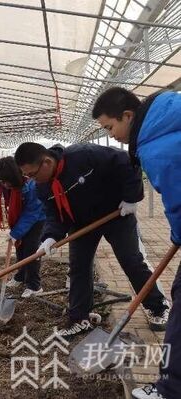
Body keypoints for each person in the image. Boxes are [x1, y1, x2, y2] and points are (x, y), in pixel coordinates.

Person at [14, 142, 169, 339]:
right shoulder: (42, 188)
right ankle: (80, 318)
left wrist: (131, 197)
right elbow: (55, 216)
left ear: (46, 162)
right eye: (27, 176)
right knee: (79, 266)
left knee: (130, 259)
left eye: (32, 174)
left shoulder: (84, 155)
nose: (31, 179)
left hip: (116, 214)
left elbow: (126, 161)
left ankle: (157, 306)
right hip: (81, 224)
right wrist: (50, 237)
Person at [92, 87, 181, 399]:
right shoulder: (170, 112)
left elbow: (178, 201)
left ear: (128, 116)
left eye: (109, 127)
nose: (111, 134)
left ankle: (170, 390)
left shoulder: (157, 148)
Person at [0, 156, 46, 298]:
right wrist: (16, 233)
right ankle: (21, 276)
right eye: (1, 182)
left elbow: (32, 212)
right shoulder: (9, 185)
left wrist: (16, 232)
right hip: (23, 217)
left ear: (15, 176)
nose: (4, 185)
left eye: (6, 181)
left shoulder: (32, 185)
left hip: (38, 218)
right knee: (20, 247)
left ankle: (34, 285)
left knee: (31, 251)